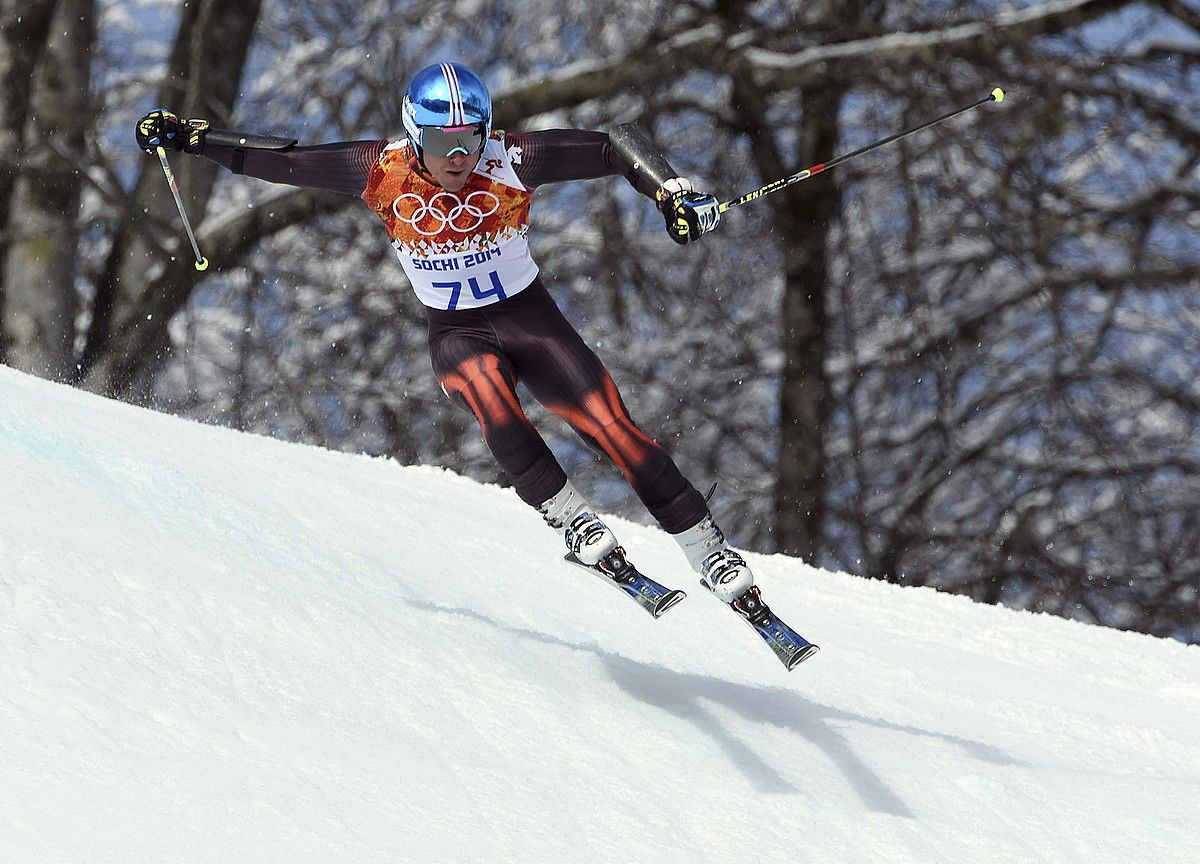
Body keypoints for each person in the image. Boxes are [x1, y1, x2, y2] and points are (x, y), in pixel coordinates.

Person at [135, 61, 755, 605]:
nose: (458, 159)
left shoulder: (510, 160)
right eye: (441, 142)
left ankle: (708, 550)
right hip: (459, 333)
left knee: (611, 427)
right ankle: (570, 520)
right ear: (414, 133)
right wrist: (194, 140)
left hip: (532, 322)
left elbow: (616, 144)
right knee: (492, 399)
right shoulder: (378, 170)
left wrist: (671, 191)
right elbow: (282, 161)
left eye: (469, 140)